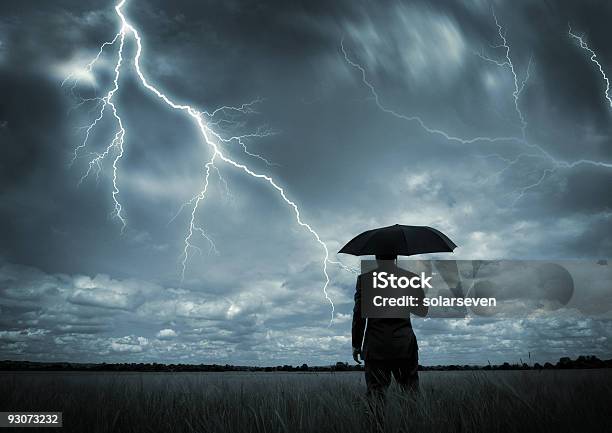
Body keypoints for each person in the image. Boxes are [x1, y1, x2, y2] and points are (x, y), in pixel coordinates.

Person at [351, 254, 428, 398]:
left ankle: (377, 422)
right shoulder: (411, 278)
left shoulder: (365, 280)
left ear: (376, 258)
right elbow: (423, 311)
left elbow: (358, 314)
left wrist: (356, 344)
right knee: (411, 395)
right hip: (404, 345)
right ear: (395, 257)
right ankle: (415, 421)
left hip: (376, 346)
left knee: (375, 396)